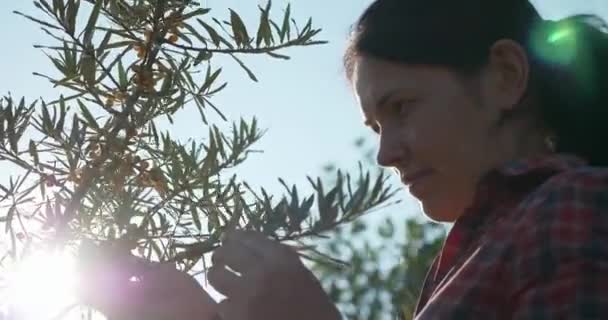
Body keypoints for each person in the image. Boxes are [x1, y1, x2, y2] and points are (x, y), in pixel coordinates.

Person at [81, 0, 608, 319]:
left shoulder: (574, 208)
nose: (386, 153)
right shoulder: (483, 250)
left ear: (505, 76)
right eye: (376, 127)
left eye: (402, 108)